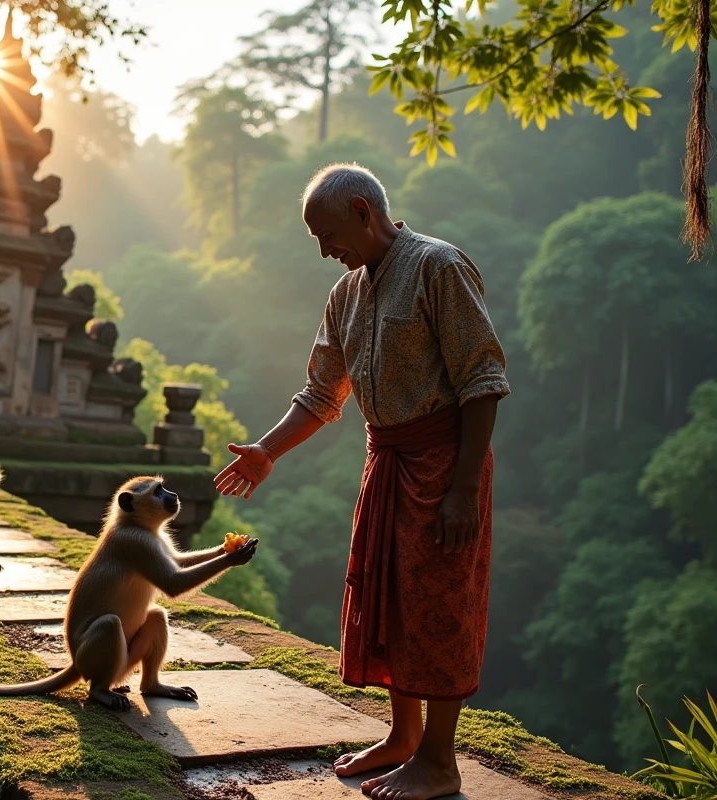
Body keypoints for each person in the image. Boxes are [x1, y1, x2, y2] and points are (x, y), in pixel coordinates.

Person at [214, 163, 510, 800]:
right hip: (387, 464)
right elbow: (322, 393)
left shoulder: (439, 267)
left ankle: (439, 760)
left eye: (327, 235)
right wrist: (267, 450)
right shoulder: (346, 294)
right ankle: (403, 737)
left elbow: (482, 382)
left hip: (444, 464)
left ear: (360, 209)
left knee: (440, 605)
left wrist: (463, 491)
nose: (325, 252)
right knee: (393, 598)